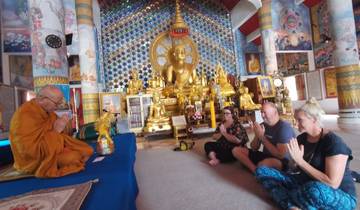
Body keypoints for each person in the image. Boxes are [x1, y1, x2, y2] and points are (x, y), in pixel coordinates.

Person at [255, 98, 357, 210]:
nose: (296, 123)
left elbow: (332, 184)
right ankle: (295, 204)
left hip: (337, 193)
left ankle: (288, 202)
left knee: (315, 190)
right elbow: (293, 169)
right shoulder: (302, 138)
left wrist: (301, 162)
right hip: (304, 182)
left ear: (313, 119)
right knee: (262, 171)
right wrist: (294, 162)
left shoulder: (334, 143)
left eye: (299, 120)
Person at [9, 85, 93, 178]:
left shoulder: (47, 111)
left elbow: (63, 135)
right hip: (33, 161)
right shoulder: (24, 117)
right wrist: (56, 130)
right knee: (72, 158)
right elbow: (30, 153)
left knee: (85, 150)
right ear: (43, 99)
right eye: (56, 103)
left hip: (52, 150)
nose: (59, 106)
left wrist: (65, 124)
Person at [232, 102, 295, 173]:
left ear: (275, 112)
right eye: (261, 112)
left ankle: (260, 169)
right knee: (236, 150)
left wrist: (262, 137)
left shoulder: (284, 127)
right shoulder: (263, 125)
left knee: (263, 164)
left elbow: (280, 155)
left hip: (281, 161)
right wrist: (257, 135)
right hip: (266, 156)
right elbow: (254, 147)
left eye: (264, 112)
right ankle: (255, 170)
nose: (262, 115)